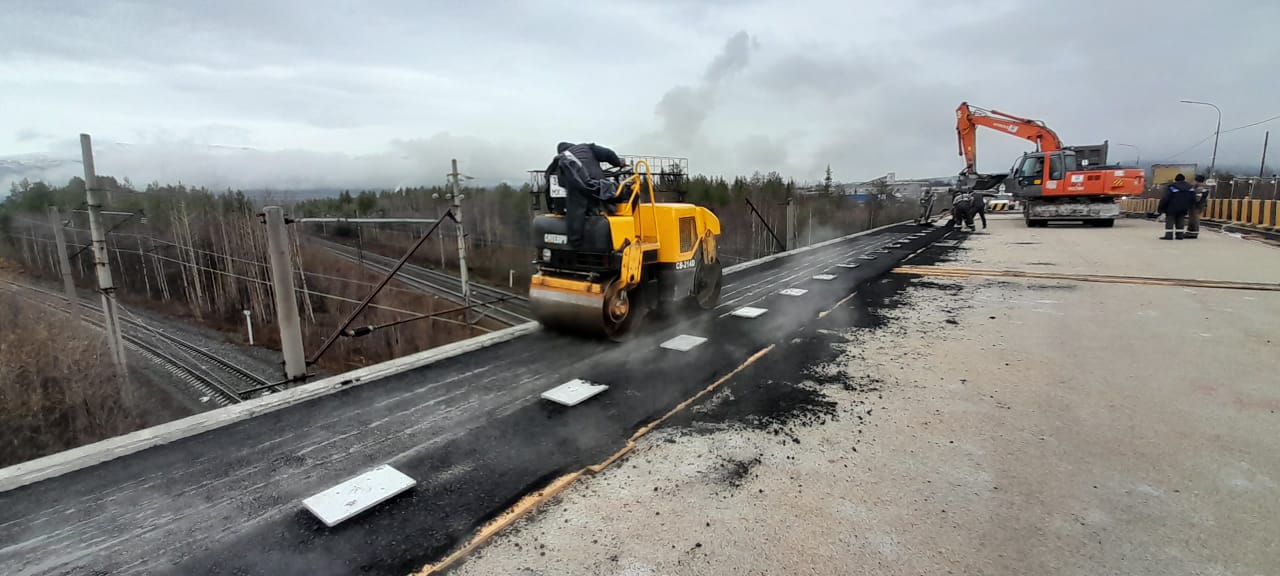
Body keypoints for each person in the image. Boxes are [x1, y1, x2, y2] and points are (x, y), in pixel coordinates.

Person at [547, 142, 627, 246]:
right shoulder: (585, 147)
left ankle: (575, 242)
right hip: (597, 186)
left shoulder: (560, 159)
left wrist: (552, 207)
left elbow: (551, 182)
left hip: (576, 192)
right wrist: (618, 163)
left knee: (577, 205)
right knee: (619, 194)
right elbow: (608, 154)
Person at [1158, 173, 1196, 240]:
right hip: (1184, 207)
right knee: (1181, 221)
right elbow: (1193, 198)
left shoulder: (1171, 187)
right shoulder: (1190, 187)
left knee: (1170, 221)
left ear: (1175, 180)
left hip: (1171, 207)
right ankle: (1180, 235)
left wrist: (1161, 208)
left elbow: (1165, 198)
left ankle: (1169, 236)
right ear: (1184, 179)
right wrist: (1189, 206)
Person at [1186, 174, 1210, 239]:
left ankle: (1193, 233)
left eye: (1195, 180)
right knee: (1193, 219)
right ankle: (1190, 232)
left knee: (1194, 219)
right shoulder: (1203, 187)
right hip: (1200, 205)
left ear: (1197, 180)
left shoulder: (1200, 188)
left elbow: (1197, 198)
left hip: (1196, 206)